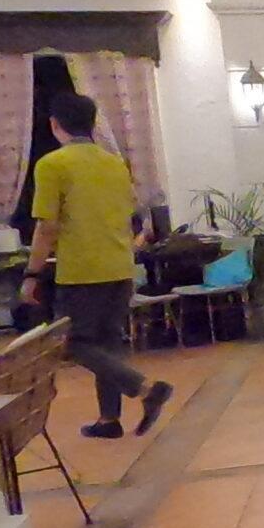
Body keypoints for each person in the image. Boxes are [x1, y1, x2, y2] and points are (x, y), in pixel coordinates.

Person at [17, 92, 173, 440]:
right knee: (107, 344)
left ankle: (145, 388)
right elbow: (131, 218)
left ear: (54, 124)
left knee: (72, 344)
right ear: (93, 124)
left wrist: (32, 274)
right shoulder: (114, 164)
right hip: (120, 266)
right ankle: (108, 420)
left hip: (82, 270)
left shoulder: (52, 165)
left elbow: (47, 226)